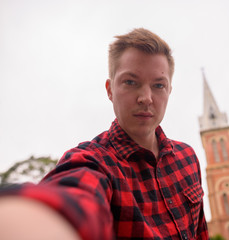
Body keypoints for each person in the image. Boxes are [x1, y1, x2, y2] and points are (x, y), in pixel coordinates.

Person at [0, 28, 209, 240]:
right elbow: (74, 197)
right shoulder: (94, 161)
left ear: (169, 91)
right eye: (130, 82)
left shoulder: (187, 157)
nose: (146, 98)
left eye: (158, 85)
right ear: (110, 89)